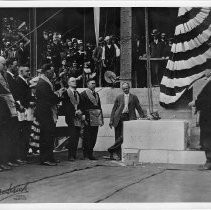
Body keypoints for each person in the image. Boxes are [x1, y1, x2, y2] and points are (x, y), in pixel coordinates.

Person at [35, 64, 64, 166]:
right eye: (52, 72)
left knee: (49, 135)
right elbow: (50, 99)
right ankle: (45, 159)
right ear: (47, 72)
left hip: (46, 112)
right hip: (44, 112)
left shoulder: (45, 82)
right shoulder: (43, 83)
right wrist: (59, 94)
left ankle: (49, 157)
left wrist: (56, 94)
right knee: (46, 135)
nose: (54, 74)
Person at [108, 82, 146, 160]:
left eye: (126, 88)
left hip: (129, 118)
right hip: (118, 118)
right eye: (123, 89)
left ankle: (112, 150)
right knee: (118, 136)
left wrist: (143, 116)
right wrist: (111, 120)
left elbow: (138, 108)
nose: (125, 90)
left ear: (129, 88)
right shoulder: (119, 97)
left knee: (124, 136)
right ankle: (116, 155)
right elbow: (114, 109)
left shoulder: (134, 97)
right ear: (122, 89)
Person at [189, 70, 211, 170]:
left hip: (208, 118)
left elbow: (207, 99)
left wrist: (196, 103)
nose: (206, 71)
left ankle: (209, 162)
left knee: (207, 139)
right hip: (207, 115)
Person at [0, 56, 18, 170]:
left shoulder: (4, 76)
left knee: (5, 136)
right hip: (1, 108)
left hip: (5, 110)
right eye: (3, 64)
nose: (5, 66)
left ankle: (4, 161)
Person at [80, 78, 104, 160]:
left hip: (96, 117)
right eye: (92, 83)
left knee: (94, 136)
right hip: (87, 117)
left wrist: (101, 118)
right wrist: (83, 116)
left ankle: (90, 153)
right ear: (88, 85)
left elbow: (99, 107)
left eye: (94, 83)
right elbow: (81, 106)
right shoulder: (83, 94)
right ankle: (85, 154)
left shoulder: (97, 94)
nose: (94, 85)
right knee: (87, 136)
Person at [61, 77, 82, 161]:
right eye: (73, 81)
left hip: (78, 117)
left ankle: (74, 154)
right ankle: (70, 155)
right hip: (70, 117)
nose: (75, 82)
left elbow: (81, 104)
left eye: (75, 81)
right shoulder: (66, 93)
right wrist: (74, 112)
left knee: (76, 136)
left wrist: (81, 111)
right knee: (72, 136)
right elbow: (65, 106)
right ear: (69, 83)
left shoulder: (77, 93)